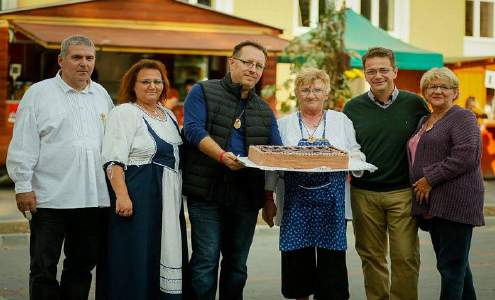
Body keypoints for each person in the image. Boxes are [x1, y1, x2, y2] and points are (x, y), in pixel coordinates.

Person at [6, 35, 113, 300]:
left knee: (82, 267)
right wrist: (22, 186)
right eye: (77, 57)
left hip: (92, 199)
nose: (83, 64)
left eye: (89, 58)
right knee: (43, 268)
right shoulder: (38, 94)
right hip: (48, 199)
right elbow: (23, 144)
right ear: (61, 60)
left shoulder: (101, 95)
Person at [182, 40, 282, 300]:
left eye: (259, 65)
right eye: (248, 62)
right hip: (207, 192)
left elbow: (275, 153)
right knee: (205, 262)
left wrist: (269, 198)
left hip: (246, 197)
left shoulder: (264, 110)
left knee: (237, 267)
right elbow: (193, 130)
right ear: (232, 62)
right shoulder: (203, 91)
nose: (254, 69)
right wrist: (222, 156)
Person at [262, 68, 365, 300]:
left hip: (332, 205)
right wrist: (268, 198)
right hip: (295, 205)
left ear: (326, 92)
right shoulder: (284, 124)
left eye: (317, 89)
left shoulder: (341, 121)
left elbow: (355, 151)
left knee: (332, 269)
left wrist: (357, 162)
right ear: (297, 92)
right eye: (306, 89)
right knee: (297, 265)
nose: (311, 95)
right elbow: (272, 163)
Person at [342, 47, 429, 300]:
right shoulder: (352, 108)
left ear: (395, 72)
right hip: (364, 194)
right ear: (365, 74)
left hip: (403, 192)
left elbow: (430, 140)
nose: (377, 75)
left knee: (405, 256)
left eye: (383, 69)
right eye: (371, 71)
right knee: (372, 256)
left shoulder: (414, 104)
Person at [100, 59, 188, 299]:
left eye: (157, 81)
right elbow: (113, 159)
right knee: (135, 258)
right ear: (133, 85)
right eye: (145, 81)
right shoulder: (125, 113)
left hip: (167, 201)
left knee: (159, 256)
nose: (152, 86)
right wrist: (122, 196)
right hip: (138, 197)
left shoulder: (168, 114)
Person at [408, 67, 484, 300]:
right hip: (434, 205)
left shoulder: (463, 117)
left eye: (444, 87)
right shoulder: (424, 120)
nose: (437, 90)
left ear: (455, 92)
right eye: (432, 86)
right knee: (456, 266)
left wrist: (429, 178)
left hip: (456, 202)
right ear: (424, 92)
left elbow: (465, 155)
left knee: (451, 268)